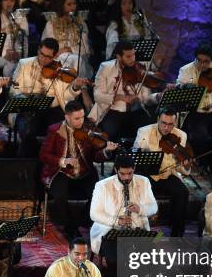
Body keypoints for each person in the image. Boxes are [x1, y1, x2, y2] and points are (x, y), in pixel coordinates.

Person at [39, 100, 118, 240]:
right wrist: (63, 161)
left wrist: (106, 151)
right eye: (76, 118)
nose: (81, 121)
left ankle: (81, 221)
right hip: (61, 172)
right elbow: (44, 155)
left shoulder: (89, 130)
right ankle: (70, 229)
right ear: (67, 117)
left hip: (84, 171)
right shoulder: (55, 130)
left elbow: (96, 157)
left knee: (98, 194)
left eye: (82, 117)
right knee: (60, 196)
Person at [10, 37, 88, 156]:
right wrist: (29, 99)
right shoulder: (24, 64)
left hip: (53, 109)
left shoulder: (60, 69)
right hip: (28, 109)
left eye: (48, 57)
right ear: (38, 50)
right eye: (42, 54)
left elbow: (66, 96)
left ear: (55, 56)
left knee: (62, 132)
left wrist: (75, 88)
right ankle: (26, 165)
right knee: (28, 132)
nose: (43, 59)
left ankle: (53, 164)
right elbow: (13, 91)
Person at [90, 154, 158, 263]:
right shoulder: (102, 185)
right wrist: (117, 221)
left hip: (137, 230)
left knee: (151, 253)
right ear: (116, 170)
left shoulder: (144, 181)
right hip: (109, 233)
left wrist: (140, 209)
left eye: (130, 173)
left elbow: (154, 207)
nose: (127, 177)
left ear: (134, 169)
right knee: (120, 259)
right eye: (122, 174)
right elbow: (94, 213)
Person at [133, 108, 190, 236]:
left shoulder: (181, 135)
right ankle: (139, 231)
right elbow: (137, 159)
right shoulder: (144, 132)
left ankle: (177, 234)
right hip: (148, 175)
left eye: (170, 125)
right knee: (139, 193)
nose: (166, 128)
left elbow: (179, 166)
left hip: (167, 174)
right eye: (163, 123)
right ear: (158, 120)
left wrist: (185, 166)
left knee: (183, 192)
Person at [89, 40, 160, 142]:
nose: (133, 59)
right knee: (110, 134)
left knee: (149, 132)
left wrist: (157, 96)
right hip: (112, 110)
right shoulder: (106, 67)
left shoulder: (139, 68)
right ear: (118, 56)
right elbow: (97, 95)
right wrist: (121, 98)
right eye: (128, 56)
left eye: (133, 55)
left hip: (135, 110)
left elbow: (146, 98)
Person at [41, 0, 92, 78]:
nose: (73, 7)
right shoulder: (51, 24)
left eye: (74, 4)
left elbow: (85, 48)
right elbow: (46, 46)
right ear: (62, 6)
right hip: (56, 59)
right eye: (69, 4)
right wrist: (59, 53)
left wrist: (69, 49)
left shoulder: (80, 24)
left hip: (77, 59)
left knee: (75, 60)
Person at [0, 0, 29, 78]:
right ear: (1, 1)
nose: (9, 3)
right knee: (11, 62)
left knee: (13, 61)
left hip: (14, 53)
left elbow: (24, 39)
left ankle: (8, 85)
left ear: (15, 2)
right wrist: (5, 53)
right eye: (5, 0)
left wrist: (17, 53)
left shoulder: (20, 16)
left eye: (12, 0)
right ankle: (8, 86)